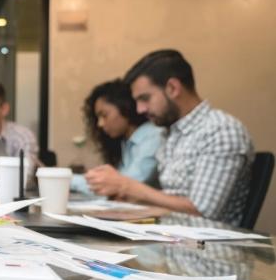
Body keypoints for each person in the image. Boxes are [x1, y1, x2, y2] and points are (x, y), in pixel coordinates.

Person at [87, 50, 253, 226]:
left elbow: (201, 211)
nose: (140, 109)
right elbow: (171, 200)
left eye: (145, 98)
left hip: (208, 246)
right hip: (173, 236)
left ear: (173, 88)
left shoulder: (220, 129)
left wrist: (127, 186)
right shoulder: (170, 133)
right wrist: (131, 200)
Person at [77, 79, 163, 194]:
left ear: (126, 108)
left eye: (104, 115)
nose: (100, 124)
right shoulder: (126, 142)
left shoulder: (153, 136)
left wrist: (65, 178)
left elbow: (122, 185)